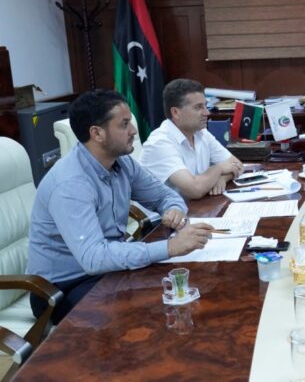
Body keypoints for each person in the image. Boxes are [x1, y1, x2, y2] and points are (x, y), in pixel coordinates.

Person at [27, 90, 212, 324]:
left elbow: (165, 196)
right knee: (144, 310)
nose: (134, 130)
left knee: (179, 287)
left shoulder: (122, 163)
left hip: (106, 270)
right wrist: (170, 247)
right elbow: (94, 258)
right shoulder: (71, 184)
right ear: (97, 133)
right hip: (60, 289)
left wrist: (174, 210)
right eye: (124, 124)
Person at [140, 78, 244, 199]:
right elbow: (195, 189)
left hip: (194, 207)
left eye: (205, 105)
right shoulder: (159, 143)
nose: (207, 113)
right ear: (175, 112)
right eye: (198, 107)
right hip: (165, 211)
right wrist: (219, 169)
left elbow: (237, 164)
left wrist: (222, 178)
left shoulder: (201, 133)